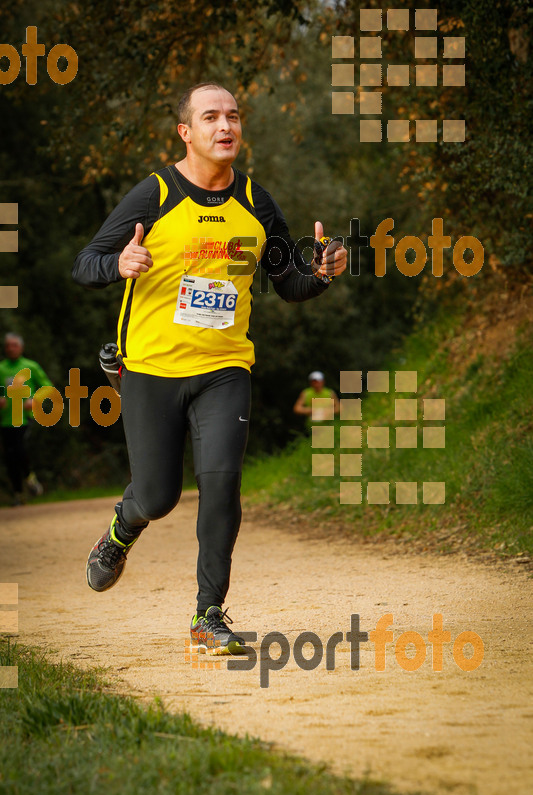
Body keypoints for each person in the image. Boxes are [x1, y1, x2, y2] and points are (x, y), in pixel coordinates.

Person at [73, 82, 347, 655]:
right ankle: (123, 527)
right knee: (159, 495)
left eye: (234, 116)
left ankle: (208, 614)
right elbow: (85, 264)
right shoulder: (153, 195)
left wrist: (320, 272)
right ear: (186, 132)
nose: (226, 126)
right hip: (150, 367)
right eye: (211, 117)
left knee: (221, 486)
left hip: (225, 368)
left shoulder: (257, 202)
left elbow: (288, 283)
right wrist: (118, 262)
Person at [0, 333, 52, 504]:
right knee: (9, 456)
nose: (11, 348)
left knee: (19, 449)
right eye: (8, 345)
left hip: (25, 417)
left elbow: (48, 388)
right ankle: (17, 493)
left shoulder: (30, 367)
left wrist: (34, 400)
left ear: (21, 347)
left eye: (14, 345)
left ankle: (29, 477)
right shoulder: (1, 368)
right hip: (5, 419)